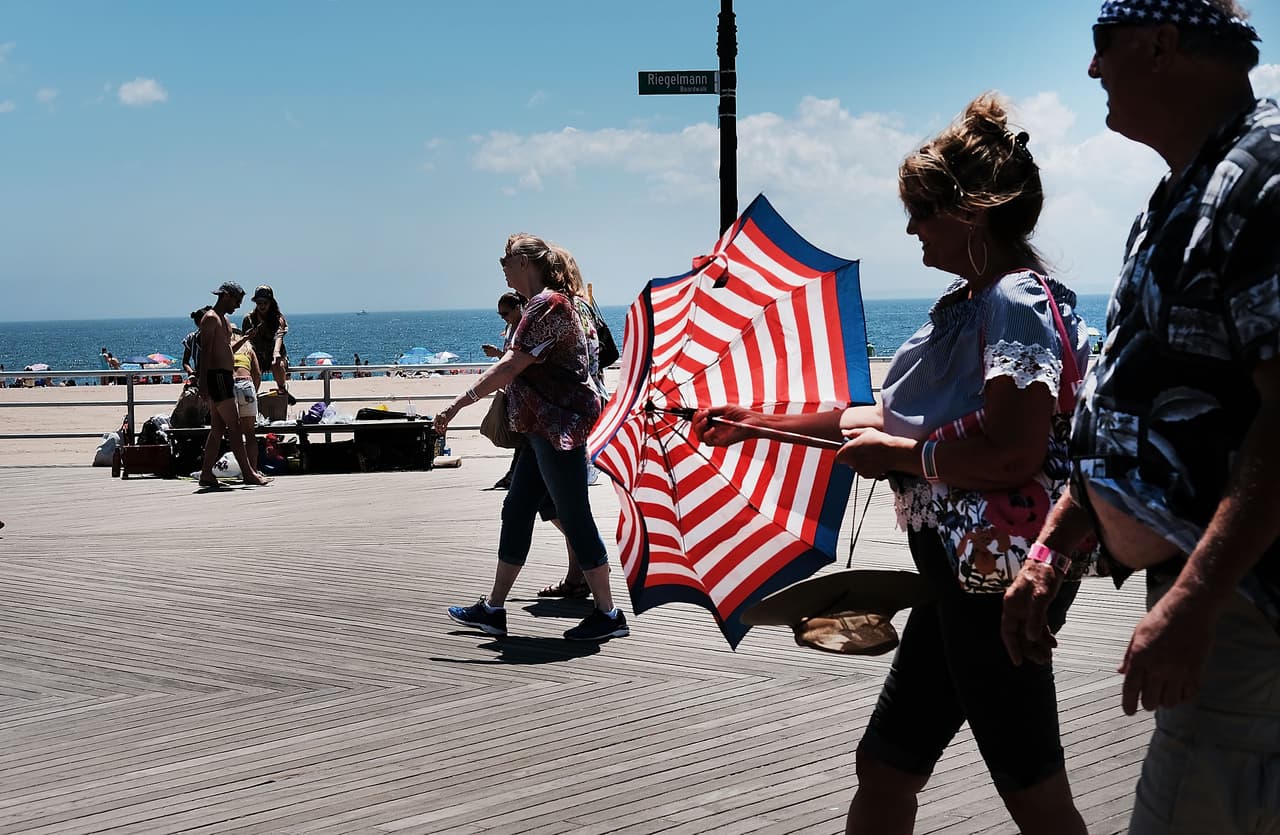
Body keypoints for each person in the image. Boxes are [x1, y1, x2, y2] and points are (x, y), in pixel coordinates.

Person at [695, 94, 1092, 835]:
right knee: (886, 766)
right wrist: (753, 423)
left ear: (969, 213)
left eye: (920, 211)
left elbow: (1016, 450)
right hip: (957, 581)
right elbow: (880, 418)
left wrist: (905, 458)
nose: (911, 228)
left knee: (1034, 792)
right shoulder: (972, 303)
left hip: (994, 586)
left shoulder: (1015, 301)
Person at [1001, 4, 1280, 833]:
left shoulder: (1262, 175)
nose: (1092, 72)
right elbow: (1135, 419)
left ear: (1161, 45)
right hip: (1211, 604)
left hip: (1244, 612)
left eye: (1101, 45)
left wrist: (1193, 602)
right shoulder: (1179, 192)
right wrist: (1052, 550)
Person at [436, 234, 630, 642]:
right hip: (540, 428)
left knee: (574, 514)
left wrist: (457, 404)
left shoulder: (548, 304)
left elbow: (511, 364)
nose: (501, 266)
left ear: (526, 262)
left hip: (558, 429)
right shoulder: (552, 302)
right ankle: (493, 609)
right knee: (518, 507)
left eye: (506, 258)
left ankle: (609, 613)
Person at [196, 282, 271, 489]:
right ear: (226, 296)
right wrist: (202, 383)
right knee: (235, 427)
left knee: (218, 429)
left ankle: (206, 474)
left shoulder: (225, 321)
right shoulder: (211, 319)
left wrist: (245, 338)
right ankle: (249, 474)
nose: (238, 306)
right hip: (216, 377)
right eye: (237, 300)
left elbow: (227, 350)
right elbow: (206, 353)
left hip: (225, 377)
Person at [485, 291, 527, 490]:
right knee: (521, 436)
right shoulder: (512, 328)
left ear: (517, 308)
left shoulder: (525, 329)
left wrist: (497, 354)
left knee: (523, 436)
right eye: (500, 314)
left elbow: (518, 361)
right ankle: (515, 474)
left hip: (522, 392)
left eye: (505, 313)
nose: (503, 317)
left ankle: (515, 474)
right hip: (513, 389)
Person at [241, 284, 294, 404]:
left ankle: (282, 389)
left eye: (265, 302)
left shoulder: (278, 318)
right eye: (259, 303)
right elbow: (245, 341)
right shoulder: (249, 319)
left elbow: (279, 336)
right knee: (254, 370)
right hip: (256, 355)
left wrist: (276, 353)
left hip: (275, 354)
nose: (262, 306)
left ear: (270, 302)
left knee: (277, 364)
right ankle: (252, 398)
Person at [231, 332, 263, 473]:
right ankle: (253, 470)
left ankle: (243, 470)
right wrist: (253, 391)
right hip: (246, 384)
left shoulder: (226, 349)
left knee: (234, 431)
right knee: (250, 433)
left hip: (230, 385)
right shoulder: (248, 350)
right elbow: (257, 374)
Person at [181, 306, 211, 385]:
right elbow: (185, 362)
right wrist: (191, 373)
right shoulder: (191, 339)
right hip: (199, 378)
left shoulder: (216, 337)